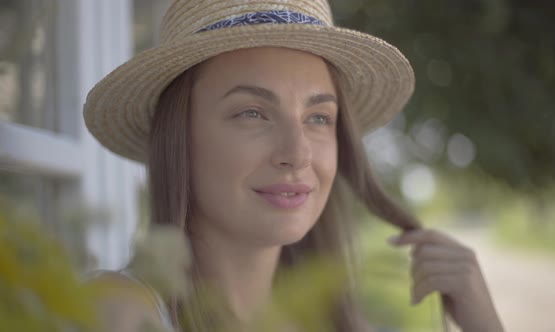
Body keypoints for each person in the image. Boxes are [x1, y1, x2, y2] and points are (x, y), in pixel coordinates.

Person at [84, 0, 504, 331]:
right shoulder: (120, 313)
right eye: (252, 113)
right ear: (178, 138)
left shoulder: (333, 323)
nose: (298, 153)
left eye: (318, 117)